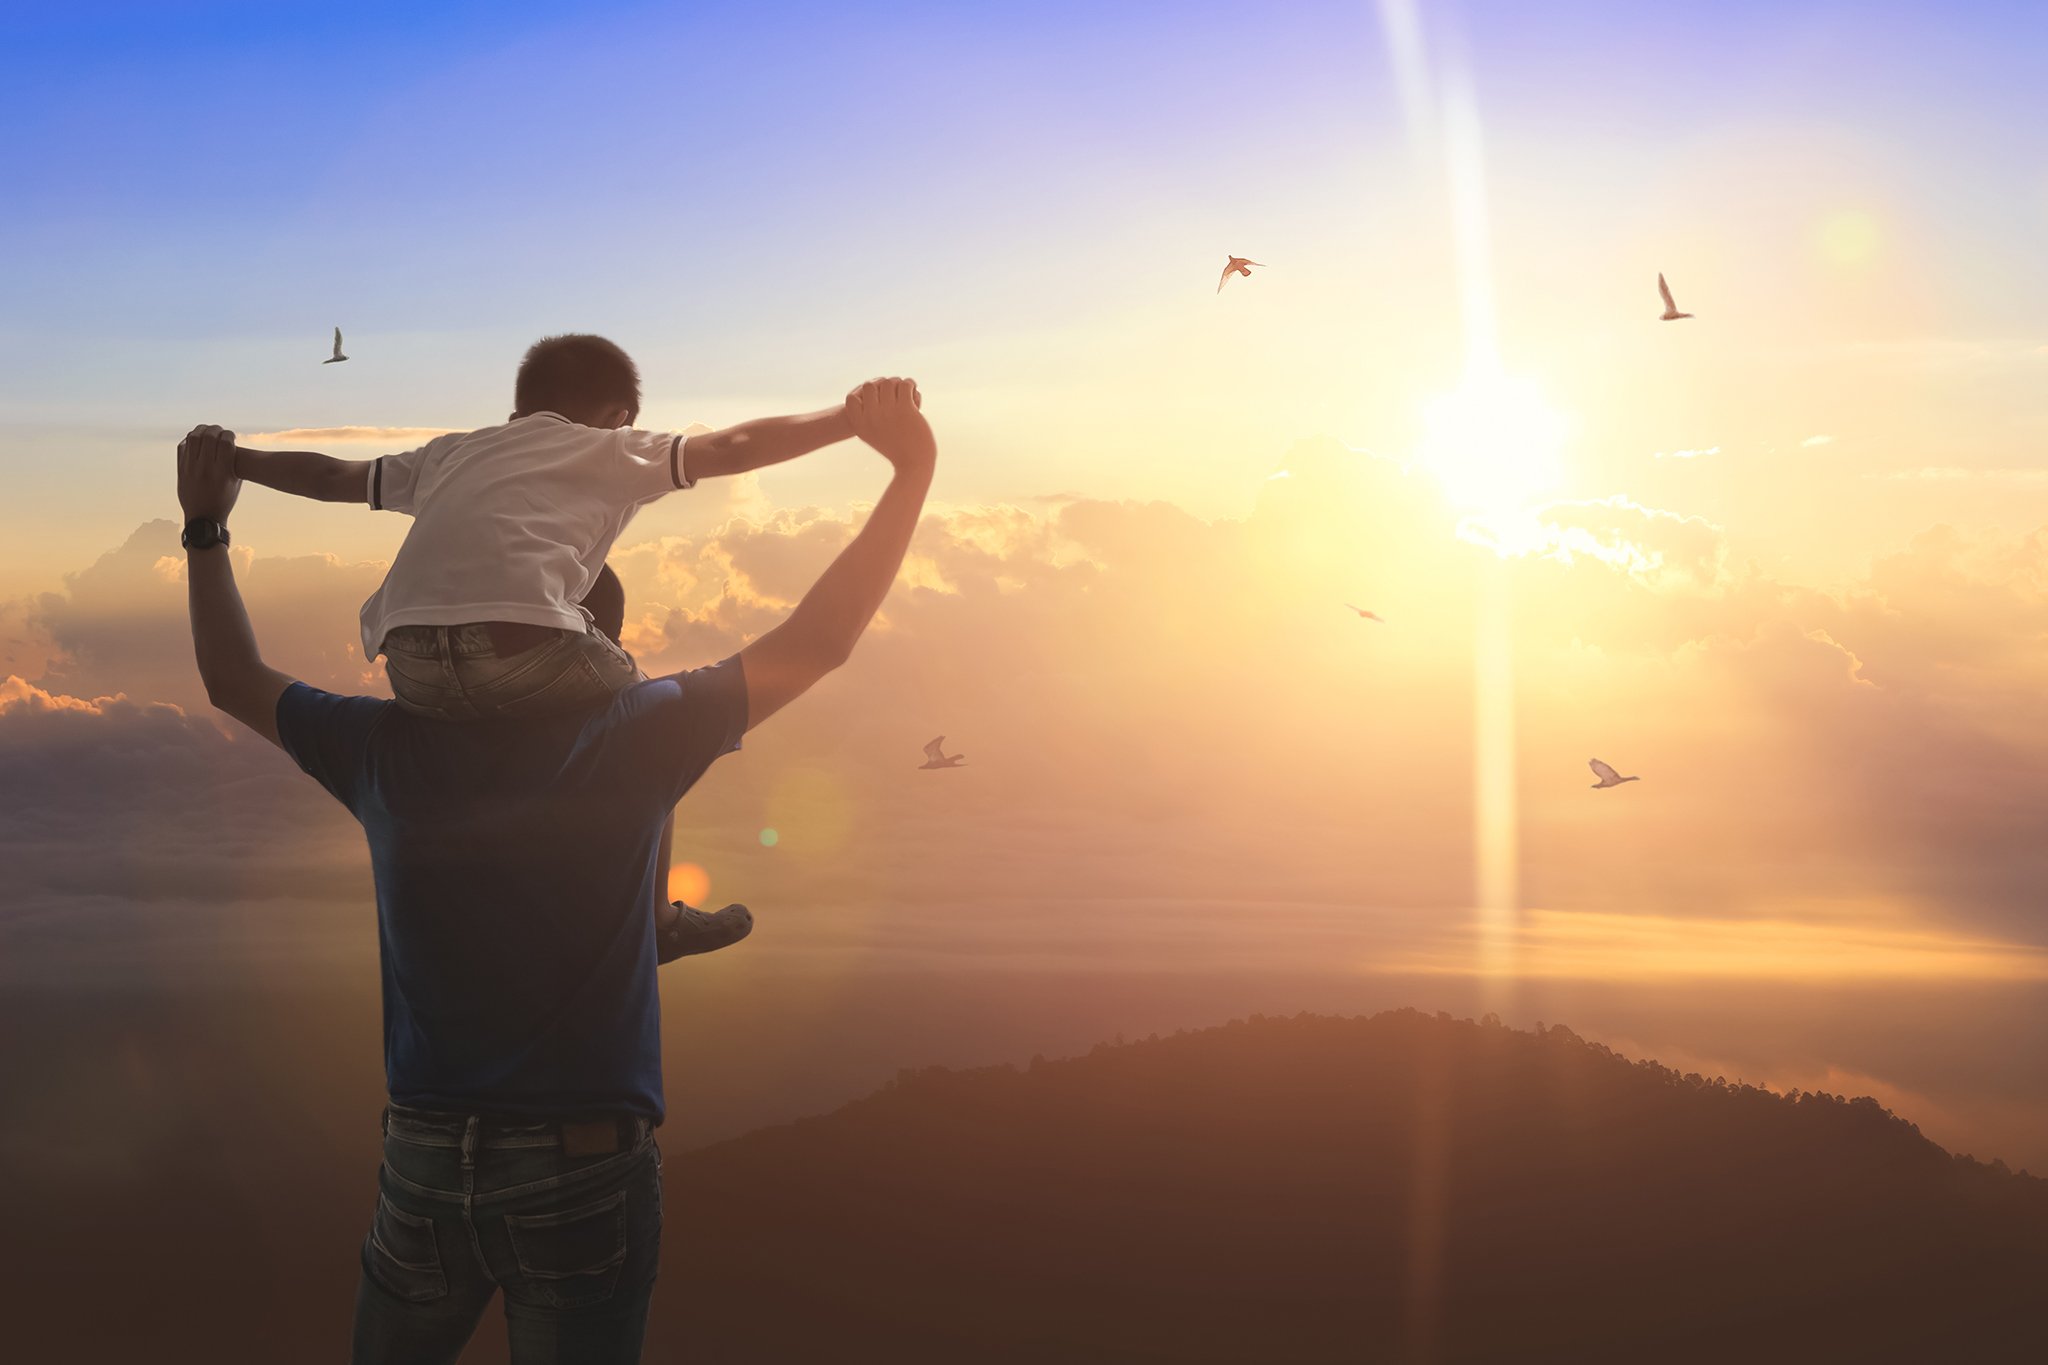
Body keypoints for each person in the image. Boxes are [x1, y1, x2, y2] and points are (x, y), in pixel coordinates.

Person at [175, 375, 936, 1364]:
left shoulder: (381, 749)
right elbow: (819, 640)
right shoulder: (641, 735)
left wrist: (206, 528)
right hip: (583, 1167)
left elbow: (232, 677)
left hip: (423, 1161)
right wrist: (909, 473)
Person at [230, 333, 863, 961]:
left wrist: (234, 462)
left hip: (410, 664)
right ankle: (658, 919)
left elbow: (330, 475)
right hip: (523, 646)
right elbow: (733, 447)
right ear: (618, 417)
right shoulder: (610, 447)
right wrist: (851, 418)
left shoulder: (450, 453)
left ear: (518, 409)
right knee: (655, 724)